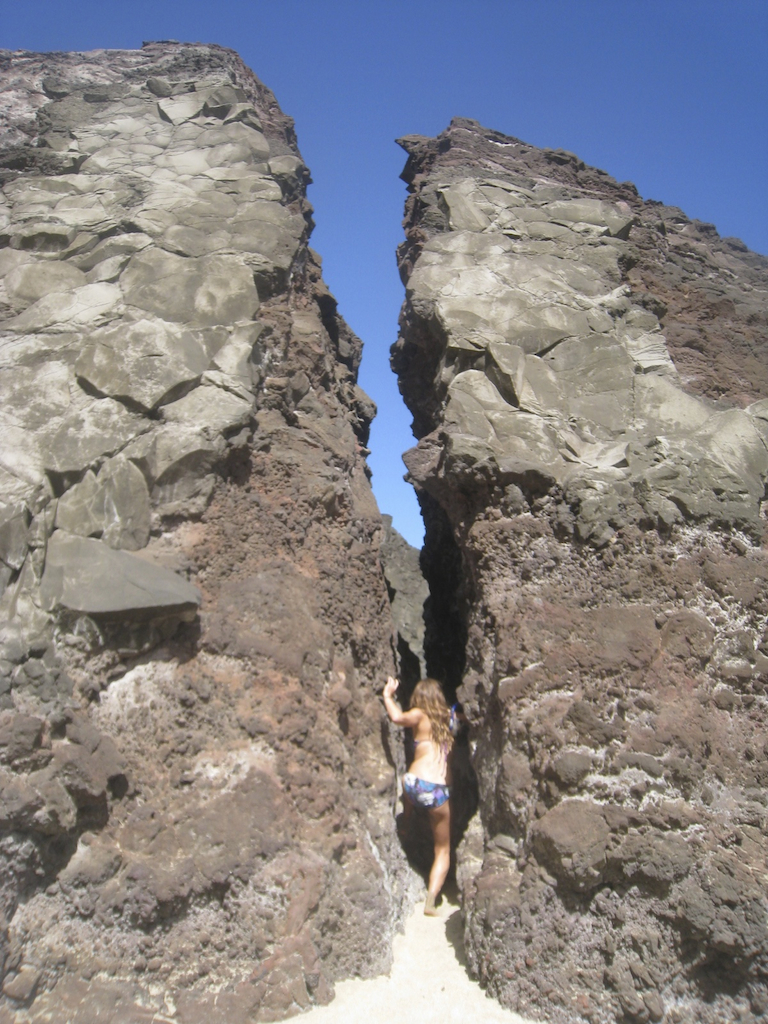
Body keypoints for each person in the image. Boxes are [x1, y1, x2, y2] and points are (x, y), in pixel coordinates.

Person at [383, 675, 453, 916]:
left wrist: (387, 695)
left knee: (407, 782)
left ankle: (407, 821)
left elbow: (397, 717)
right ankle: (431, 900)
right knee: (442, 849)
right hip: (437, 793)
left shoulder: (419, 714)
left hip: (413, 785)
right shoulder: (449, 718)